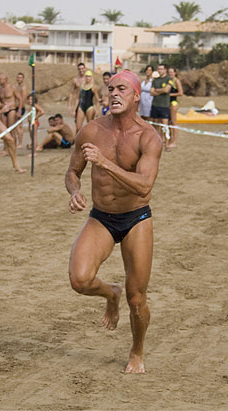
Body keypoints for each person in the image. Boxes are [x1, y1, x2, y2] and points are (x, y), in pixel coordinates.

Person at [65, 70, 163, 374]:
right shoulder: (92, 131)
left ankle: (137, 351)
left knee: (137, 297)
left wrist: (105, 163)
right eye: (110, 89)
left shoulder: (148, 137)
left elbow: (144, 186)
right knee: (79, 280)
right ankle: (111, 293)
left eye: (122, 89)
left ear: (136, 96)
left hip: (136, 217)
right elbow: (72, 172)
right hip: (102, 216)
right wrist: (75, 192)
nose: (114, 93)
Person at [149, 64, 172, 150]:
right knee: (155, 126)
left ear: (165, 70)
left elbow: (166, 90)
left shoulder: (169, 79)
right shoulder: (155, 80)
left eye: (161, 69)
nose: (159, 70)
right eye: (158, 69)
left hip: (164, 106)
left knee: (165, 126)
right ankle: (157, 143)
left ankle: (167, 144)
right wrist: (161, 91)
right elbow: (151, 92)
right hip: (155, 105)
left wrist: (156, 90)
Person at [0, 72, 23, 148]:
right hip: (4, 111)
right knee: (4, 131)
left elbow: (20, 99)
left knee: (11, 130)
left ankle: (13, 147)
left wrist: (19, 111)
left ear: (5, 79)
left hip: (12, 110)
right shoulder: (0, 89)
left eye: (0, 79)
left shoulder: (12, 87)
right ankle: (5, 148)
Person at [73, 70, 100, 134]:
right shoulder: (81, 86)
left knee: (89, 126)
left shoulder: (94, 87)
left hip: (89, 107)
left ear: (91, 77)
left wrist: (98, 110)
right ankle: (77, 139)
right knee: (78, 128)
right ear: (85, 77)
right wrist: (74, 110)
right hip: (81, 107)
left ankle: (90, 139)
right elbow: (77, 98)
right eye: (86, 76)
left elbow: (97, 100)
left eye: (89, 76)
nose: (88, 78)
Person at [167, 67, 183, 148]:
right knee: (169, 122)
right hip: (167, 103)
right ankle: (170, 139)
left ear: (175, 73)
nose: (170, 74)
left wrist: (169, 94)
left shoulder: (176, 81)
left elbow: (180, 93)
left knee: (173, 122)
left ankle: (174, 141)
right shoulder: (168, 81)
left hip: (173, 102)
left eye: (171, 72)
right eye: (169, 72)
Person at [15, 72, 28, 148]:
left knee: (18, 126)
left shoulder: (23, 88)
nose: (18, 79)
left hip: (20, 108)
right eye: (18, 77)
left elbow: (23, 100)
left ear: (23, 79)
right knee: (16, 126)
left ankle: (20, 143)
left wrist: (19, 110)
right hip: (16, 107)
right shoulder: (17, 87)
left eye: (20, 78)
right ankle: (18, 142)